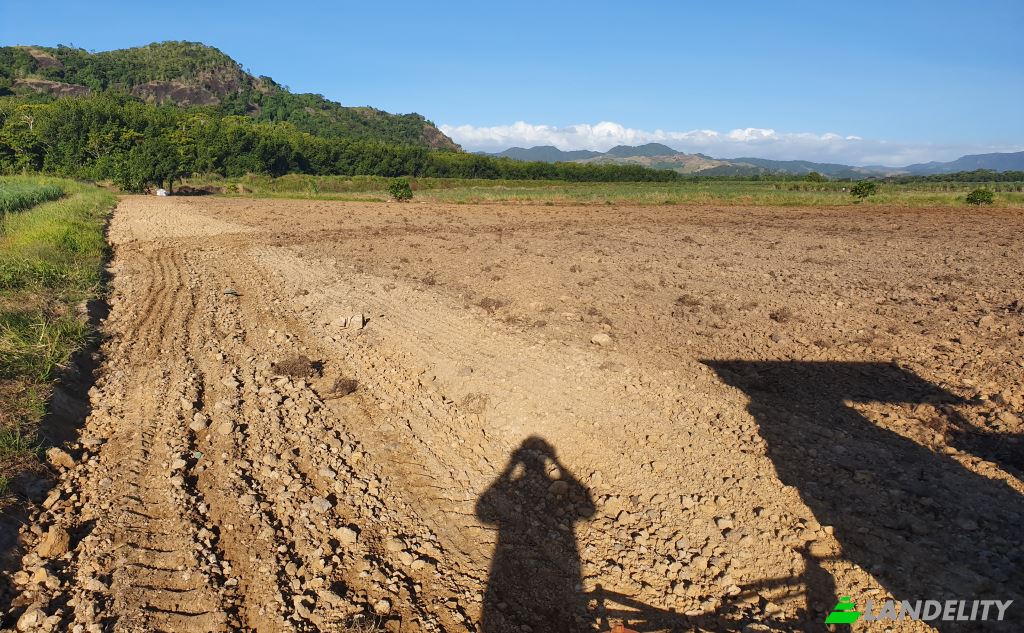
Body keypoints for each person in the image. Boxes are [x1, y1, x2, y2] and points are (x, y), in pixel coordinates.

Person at [476, 436, 595, 632]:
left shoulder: (517, 484)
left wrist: (509, 468)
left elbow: (482, 511)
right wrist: (558, 465)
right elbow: (589, 510)